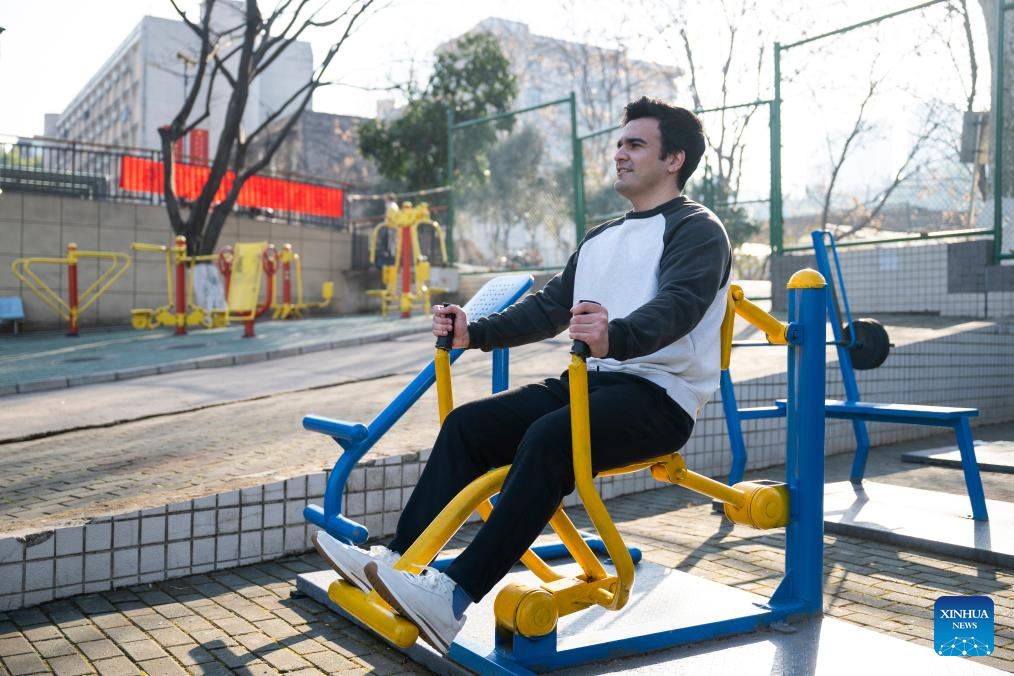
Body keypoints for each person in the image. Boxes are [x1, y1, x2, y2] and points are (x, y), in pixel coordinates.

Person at [314, 96, 732, 653]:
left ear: (674, 159)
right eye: (619, 143)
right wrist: (474, 332)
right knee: (469, 425)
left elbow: (680, 303)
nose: (620, 154)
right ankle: (395, 562)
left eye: (636, 144)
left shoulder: (698, 229)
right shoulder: (601, 237)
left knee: (550, 438)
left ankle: (452, 597)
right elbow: (550, 306)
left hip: (659, 396)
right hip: (590, 382)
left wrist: (616, 335)